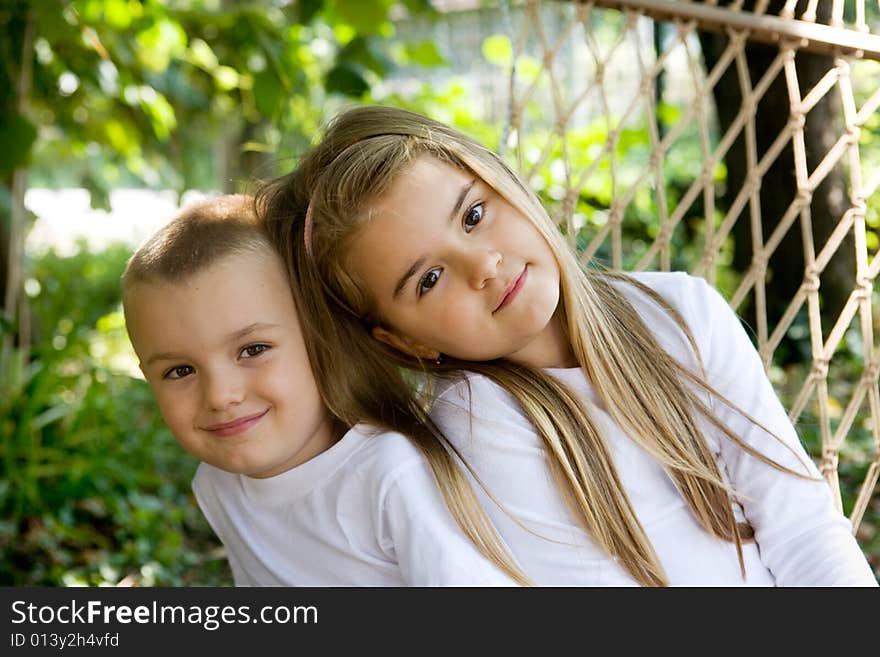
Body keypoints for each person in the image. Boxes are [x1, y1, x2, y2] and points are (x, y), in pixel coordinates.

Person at [257, 104, 878, 586]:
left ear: (502, 181)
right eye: (429, 279)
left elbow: (802, 528)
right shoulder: (476, 428)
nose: (484, 265)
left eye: (473, 215)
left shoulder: (680, 313)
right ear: (403, 340)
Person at [120, 193, 519, 586]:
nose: (220, 395)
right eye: (180, 370)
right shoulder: (219, 485)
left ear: (319, 336)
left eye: (253, 349)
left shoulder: (389, 477)